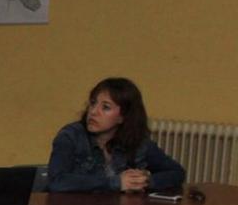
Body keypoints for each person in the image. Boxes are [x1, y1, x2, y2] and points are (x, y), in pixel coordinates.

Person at [47, 77, 185, 193]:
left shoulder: (138, 141)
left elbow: (177, 172)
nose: (93, 112)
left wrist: (146, 181)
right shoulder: (71, 136)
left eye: (105, 107)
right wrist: (116, 182)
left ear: (123, 117)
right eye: (93, 103)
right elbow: (56, 182)